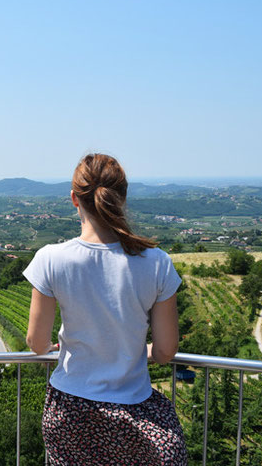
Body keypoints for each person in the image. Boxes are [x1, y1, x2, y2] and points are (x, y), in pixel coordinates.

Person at [24, 153, 187, 465]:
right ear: (122, 198)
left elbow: (36, 342)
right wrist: (140, 350)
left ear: (74, 199)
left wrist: (51, 347)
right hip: (134, 413)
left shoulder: (51, 259)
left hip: (70, 411)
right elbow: (166, 350)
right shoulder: (157, 263)